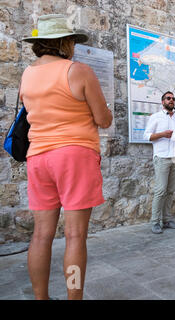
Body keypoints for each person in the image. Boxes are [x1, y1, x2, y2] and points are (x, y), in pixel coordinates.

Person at [20, 14, 112, 300]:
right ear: (64, 42)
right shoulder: (78, 71)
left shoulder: (27, 74)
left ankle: (41, 298)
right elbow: (103, 119)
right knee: (74, 236)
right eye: (71, 40)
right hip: (74, 156)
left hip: (38, 158)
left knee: (41, 236)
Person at [143, 91, 175, 234]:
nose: (171, 100)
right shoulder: (156, 117)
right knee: (160, 190)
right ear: (162, 102)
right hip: (162, 157)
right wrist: (163, 134)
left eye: (173, 99)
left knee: (170, 191)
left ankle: (167, 220)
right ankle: (155, 222)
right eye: (168, 98)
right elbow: (146, 136)